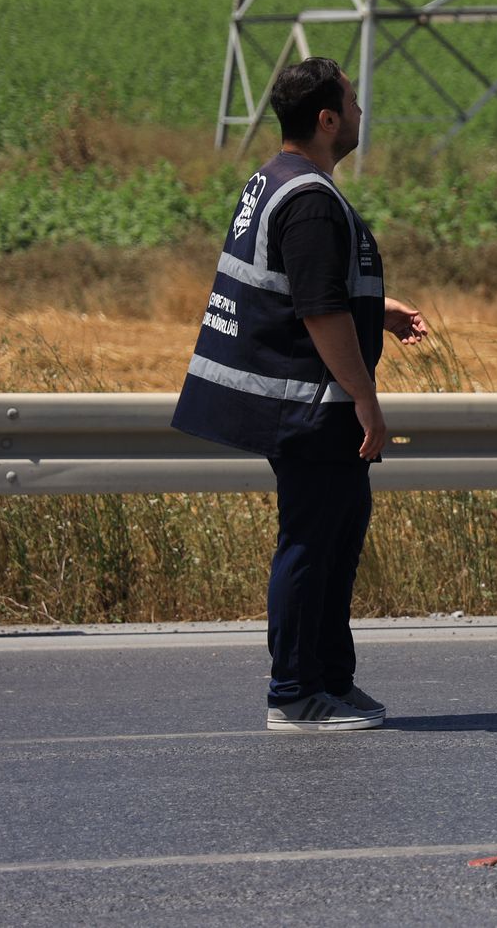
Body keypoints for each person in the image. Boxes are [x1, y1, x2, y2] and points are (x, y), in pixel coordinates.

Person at [171, 57, 429, 733]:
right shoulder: (310, 198)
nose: (361, 112)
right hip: (309, 403)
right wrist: (367, 398)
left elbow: (305, 288)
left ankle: (329, 682)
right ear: (327, 118)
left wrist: (378, 309)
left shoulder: (277, 180)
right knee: (312, 543)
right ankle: (293, 693)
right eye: (352, 100)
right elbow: (317, 312)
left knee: (336, 540)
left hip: (308, 400)